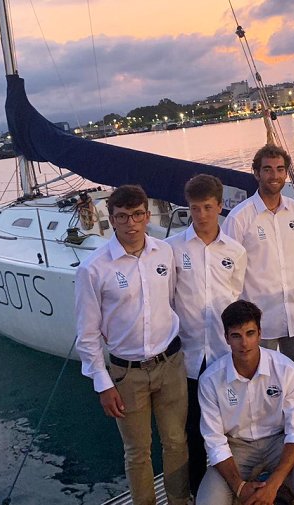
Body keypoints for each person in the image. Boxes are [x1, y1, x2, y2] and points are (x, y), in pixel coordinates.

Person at [74, 185, 189, 505]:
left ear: (147, 215)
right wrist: (102, 383)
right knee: (138, 452)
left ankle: (180, 501)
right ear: (110, 219)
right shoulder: (93, 269)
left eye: (137, 215)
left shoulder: (164, 253)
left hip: (170, 363)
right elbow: (87, 334)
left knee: (177, 442)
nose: (131, 223)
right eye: (122, 216)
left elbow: (170, 301)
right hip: (127, 373)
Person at [196, 300, 294, 505]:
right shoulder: (210, 380)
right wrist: (239, 488)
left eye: (250, 333)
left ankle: (277, 490)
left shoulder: (286, 369)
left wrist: (274, 485)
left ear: (260, 333)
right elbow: (214, 442)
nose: (244, 343)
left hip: (279, 442)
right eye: (236, 336)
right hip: (236, 447)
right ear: (226, 339)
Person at [166, 174, 247, 495]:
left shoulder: (236, 251)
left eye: (208, 208)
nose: (201, 215)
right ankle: (200, 490)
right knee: (193, 428)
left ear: (220, 206)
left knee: (229, 423)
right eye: (195, 208)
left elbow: (237, 295)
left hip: (223, 352)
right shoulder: (172, 249)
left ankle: (234, 485)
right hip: (188, 355)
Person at [222, 144, 294, 365]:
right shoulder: (240, 217)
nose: (275, 175)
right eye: (268, 169)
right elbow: (228, 270)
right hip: (259, 320)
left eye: (280, 169)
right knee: (260, 381)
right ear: (256, 173)